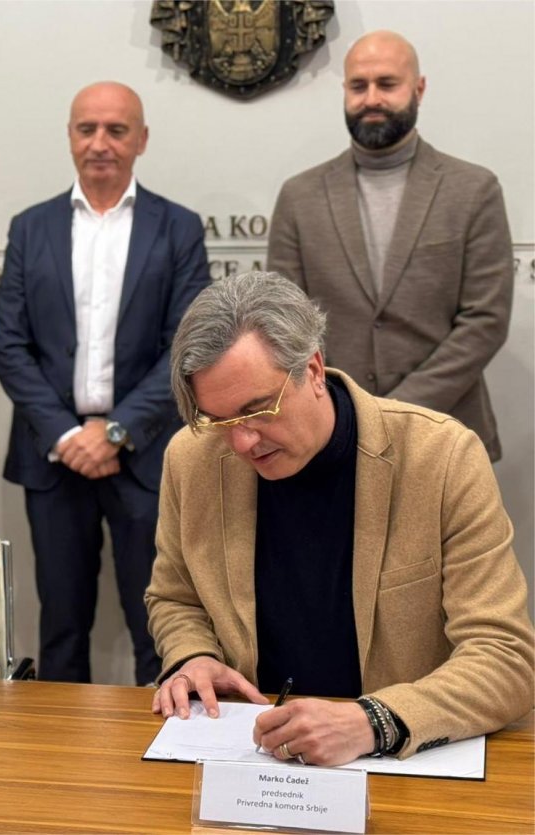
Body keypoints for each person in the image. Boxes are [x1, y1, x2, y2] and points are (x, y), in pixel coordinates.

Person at [146, 271, 533, 766]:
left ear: (312, 369)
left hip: (399, 760)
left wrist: (373, 721)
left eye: (258, 410)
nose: (242, 442)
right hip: (253, 755)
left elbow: (504, 657)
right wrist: (192, 654)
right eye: (220, 420)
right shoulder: (192, 458)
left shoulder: (441, 456)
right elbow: (175, 597)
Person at [0, 81, 210, 684]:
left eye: (116, 130)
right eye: (87, 129)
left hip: (145, 456)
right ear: (70, 136)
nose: (100, 143)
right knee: (61, 629)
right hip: (54, 460)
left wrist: (115, 432)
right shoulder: (30, 227)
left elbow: (185, 346)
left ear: (142, 139)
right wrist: (67, 436)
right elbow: (9, 344)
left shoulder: (178, 228)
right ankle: (62, 745)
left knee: (159, 628)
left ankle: (164, 737)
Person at [267, 30, 513, 461]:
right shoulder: (299, 196)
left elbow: (485, 321)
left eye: (387, 84)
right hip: (333, 436)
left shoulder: (474, 190)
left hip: (447, 435)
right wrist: (347, 410)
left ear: (419, 89)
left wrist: (393, 411)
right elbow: (285, 324)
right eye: (358, 86)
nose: (372, 98)